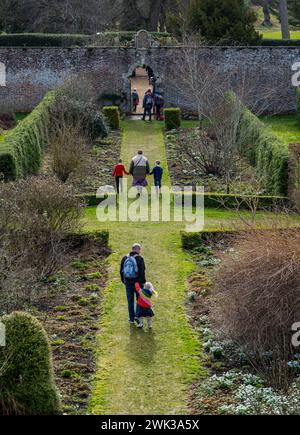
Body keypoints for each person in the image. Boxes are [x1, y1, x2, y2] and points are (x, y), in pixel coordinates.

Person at [120, 244, 146, 325]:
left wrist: (124, 281)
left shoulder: (125, 258)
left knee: (130, 301)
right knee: (139, 300)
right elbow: (142, 272)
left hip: (128, 282)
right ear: (138, 250)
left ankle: (131, 319)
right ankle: (138, 317)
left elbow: (121, 271)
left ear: (132, 249)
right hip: (137, 283)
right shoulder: (139, 258)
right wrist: (143, 282)